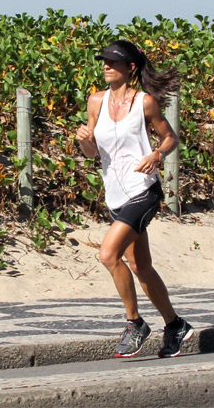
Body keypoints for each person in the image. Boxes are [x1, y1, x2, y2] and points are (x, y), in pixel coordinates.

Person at [76, 40, 194, 358]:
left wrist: (156, 155)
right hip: (114, 193)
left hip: (143, 190)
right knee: (141, 267)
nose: (106, 66)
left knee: (108, 255)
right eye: (104, 61)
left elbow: (171, 137)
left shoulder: (145, 102)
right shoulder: (95, 102)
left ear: (130, 68)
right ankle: (175, 325)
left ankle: (135, 324)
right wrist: (85, 141)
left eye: (113, 62)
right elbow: (92, 153)